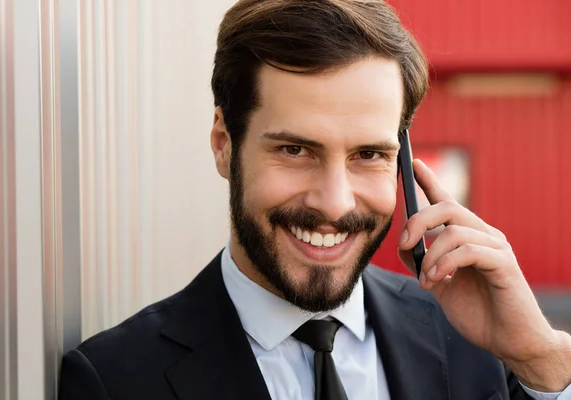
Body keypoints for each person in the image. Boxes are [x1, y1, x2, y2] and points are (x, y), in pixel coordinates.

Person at [59, 0, 571, 399]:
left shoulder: (475, 339)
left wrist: (541, 358)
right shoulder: (116, 380)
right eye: (295, 149)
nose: (333, 202)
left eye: (368, 154)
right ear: (223, 144)